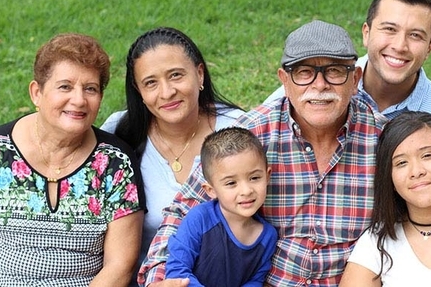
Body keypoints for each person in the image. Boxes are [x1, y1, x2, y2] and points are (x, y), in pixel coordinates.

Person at [139, 20, 387, 286]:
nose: (320, 85)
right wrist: (159, 277)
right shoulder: (252, 135)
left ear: (355, 79)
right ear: (284, 80)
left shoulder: (383, 141)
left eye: (335, 71)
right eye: (304, 72)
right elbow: (183, 211)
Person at [265, 0, 431, 187]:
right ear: (366, 33)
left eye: (415, 35)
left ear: (430, 48)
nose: (400, 46)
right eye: (390, 29)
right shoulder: (322, 85)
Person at [0, 33, 144, 286]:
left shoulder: (115, 162)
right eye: (65, 86)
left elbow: (119, 267)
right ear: (36, 92)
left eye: (90, 89)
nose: (79, 100)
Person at [100, 27, 244, 286]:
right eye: (151, 83)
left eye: (176, 75)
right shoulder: (120, 133)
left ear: (199, 74)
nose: (166, 93)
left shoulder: (240, 131)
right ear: (138, 90)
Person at [339, 111, 431, 286]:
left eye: (427, 155)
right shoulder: (377, 243)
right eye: (401, 163)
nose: (416, 171)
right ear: (390, 178)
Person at [165, 127, 278, 286]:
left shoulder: (268, 236)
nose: (246, 191)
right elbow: (177, 270)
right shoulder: (199, 219)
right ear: (211, 190)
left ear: (267, 176)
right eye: (231, 183)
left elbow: (255, 280)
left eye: (254, 178)